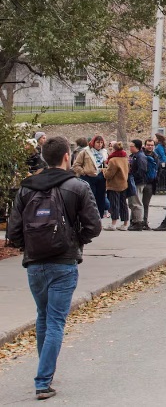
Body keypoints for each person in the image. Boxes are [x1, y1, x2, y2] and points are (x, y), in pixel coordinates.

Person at [7, 135, 102, 401]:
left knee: (43, 317)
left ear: (43, 157)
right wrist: (75, 240)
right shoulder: (78, 186)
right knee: (56, 321)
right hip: (63, 262)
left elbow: (13, 232)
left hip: (35, 263)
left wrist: (31, 246)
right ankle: (42, 380)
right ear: (66, 157)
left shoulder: (26, 188)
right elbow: (94, 226)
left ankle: (45, 370)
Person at [74, 135, 107, 217]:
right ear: (93, 143)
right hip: (88, 177)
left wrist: (104, 171)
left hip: (100, 178)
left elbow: (105, 164)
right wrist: (84, 172)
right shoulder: (85, 152)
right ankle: (90, 216)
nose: (99, 144)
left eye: (101, 142)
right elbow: (76, 165)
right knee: (90, 199)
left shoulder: (104, 152)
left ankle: (99, 217)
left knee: (100, 199)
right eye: (98, 142)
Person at [103, 142, 130, 231]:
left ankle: (113, 224)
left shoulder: (113, 160)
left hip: (114, 185)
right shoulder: (125, 158)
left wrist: (104, 170)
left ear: (114, 149)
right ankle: (125, 224)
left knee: (114, 204)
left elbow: (108, 175)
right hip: (124, 184)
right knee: (123, 204)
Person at [126, 140, 149, 231]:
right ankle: (134, 221)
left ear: (137, 147)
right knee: (132, 202)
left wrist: (133, 177)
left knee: (136, 202)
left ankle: (138, 222)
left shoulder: (140, 156)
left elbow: (142, 170)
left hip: (138, 182)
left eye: (132, 146)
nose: (130, 148)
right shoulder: (134, 156)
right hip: (135, 182)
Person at [141, 139, 158, 229]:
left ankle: (145, 221)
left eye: (151, 145)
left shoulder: (155, 156)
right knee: (137, 203)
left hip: (150, 183)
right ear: (145, 145)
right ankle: (136, 221)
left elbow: (158, 169)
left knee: (146, 204)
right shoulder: (141, 154)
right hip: (140, 182)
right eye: (148, 145)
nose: (150, 147)